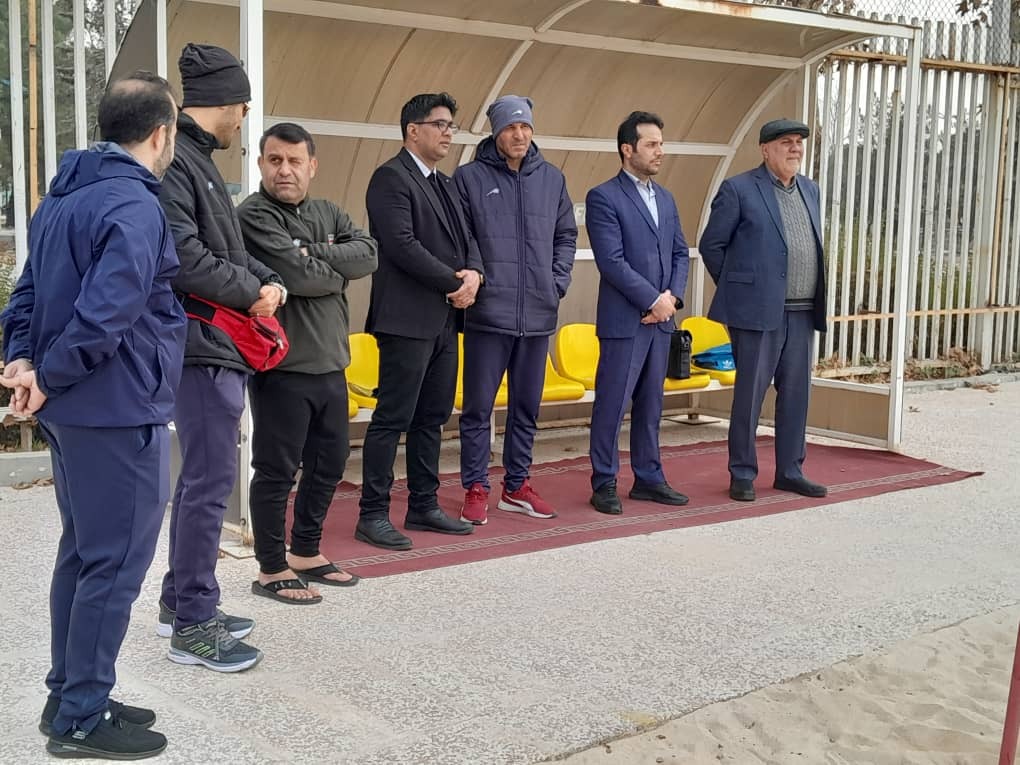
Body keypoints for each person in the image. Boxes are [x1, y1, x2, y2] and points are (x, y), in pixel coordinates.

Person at [0, 72, 184, 760]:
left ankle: (72, 693)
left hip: (76, 407)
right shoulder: (134, 205)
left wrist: (25, 363)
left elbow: (25, 295)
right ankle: (80, 715)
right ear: (161, 133)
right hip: (115, 407)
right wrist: (44, 375)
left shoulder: (62, 197)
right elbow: (108, 313)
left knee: (83, 555)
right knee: (113, 563)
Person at [157, 43, 286, 671]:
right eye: (244, 107)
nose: (244, 120)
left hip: (212, 346)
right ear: (229, 102)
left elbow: (226, 248)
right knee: (209, 485)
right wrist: (252, 292)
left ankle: (178, 600)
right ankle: (195, 624)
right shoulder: (180, 163)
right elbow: (186, 260)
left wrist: (266, 278)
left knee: (198, 482)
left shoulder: (195, 160)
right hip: (203, 347)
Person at [237, 122, 378, 603]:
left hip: (331, 364)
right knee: (276, 470)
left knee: (329, 463)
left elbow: (368, 255)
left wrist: (314, 253)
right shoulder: (254, 215)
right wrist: (333, 270)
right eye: (275, 160)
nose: (285, 170)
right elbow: (301, 277)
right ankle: (271, 567)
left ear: (312, 166)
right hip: (282, 368)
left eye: (295, 161)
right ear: (261, 164)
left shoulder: (327, 211)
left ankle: (305, 552)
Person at [356, 92, 484, 551]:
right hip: (405, 320)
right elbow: (401, 245)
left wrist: (474, 273)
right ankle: (372, 513)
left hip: (444, 321)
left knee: (432, 417)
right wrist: (453, 282)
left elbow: (469, 238)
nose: (449, 133)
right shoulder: (390, 178)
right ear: (413, 130)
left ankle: (423, 505)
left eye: (452, 126)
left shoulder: (444, 183)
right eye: (440, 124)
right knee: (392, 418)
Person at [453, 95, 576, 525]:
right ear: (495, 132)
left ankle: (517, 485)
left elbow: (566, 234)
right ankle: (475, 487)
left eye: (525, 127)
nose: (519, 134)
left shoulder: (552, 179)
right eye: (510, 127)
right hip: (489, 314)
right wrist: (479, 280)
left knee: (526, 408)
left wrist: (556, 283)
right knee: (478, 409)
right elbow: (463, 238)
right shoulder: (468, 178)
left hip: (538, 314)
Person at [699, 118, 829, 503]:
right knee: (750, 396)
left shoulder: (810, 190)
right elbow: (711, 246)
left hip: (803, 312)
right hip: (755, 314)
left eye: (799, 142)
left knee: (796, 396)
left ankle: (791, 471)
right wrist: (742, 290)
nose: (795, 148)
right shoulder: (738, 189)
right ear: (765, 149)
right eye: (786, 142)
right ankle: (742, 473)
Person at [586, 111, 691, 516]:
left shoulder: (666, 198)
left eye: (661, 144)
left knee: (651, 405)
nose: (659, 151)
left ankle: (648, 478)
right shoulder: (603, 197)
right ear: (627, 149)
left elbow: (680, 252)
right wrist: (653, 301)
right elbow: (611, 262)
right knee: (612, 405)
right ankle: (604, 482)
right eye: (651, 144)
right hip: (625, 322)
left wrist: (672, 300)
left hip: (661, 321)